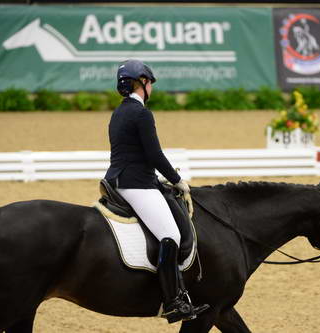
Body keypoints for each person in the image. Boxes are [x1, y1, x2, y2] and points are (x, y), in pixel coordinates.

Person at [104, 59, 209, 323]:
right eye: (149, 82)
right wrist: (176, 180)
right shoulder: (141, 114)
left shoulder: (118, 112)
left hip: (119, 180)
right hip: (135, 184)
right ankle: (172, 300)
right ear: (141, 83)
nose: (151, 87)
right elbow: (154, 155)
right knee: (170, 235)